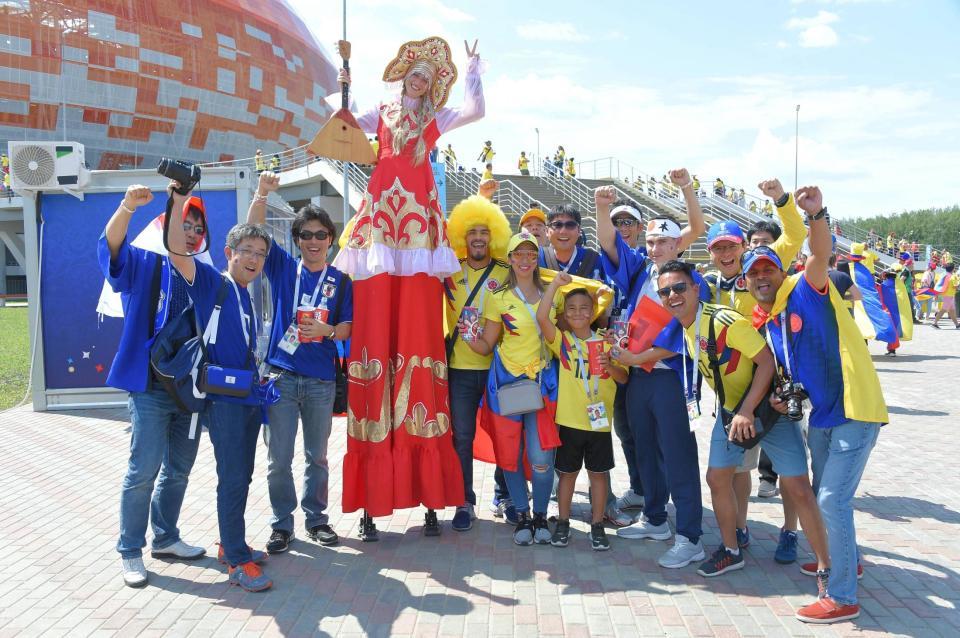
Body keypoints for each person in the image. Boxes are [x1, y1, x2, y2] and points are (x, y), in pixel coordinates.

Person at [331, 37, 484, 539]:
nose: (418, 80)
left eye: (427, 75)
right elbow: (346, 120)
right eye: (413, 72)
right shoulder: (383, 112)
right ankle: (371, 505)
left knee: (419, 347)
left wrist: (473, 66)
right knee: (376, 341)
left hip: (418, 234)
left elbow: (476, 109)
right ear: (402, 75)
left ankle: (432, 498)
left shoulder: (434, 122)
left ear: (435, 82)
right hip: (381, 230)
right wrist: (344, 75)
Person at [743, 185, 888, 624]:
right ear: (746, 282)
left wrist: (816, 214)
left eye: (769, 269)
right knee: (831, 498)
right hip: (823, 417)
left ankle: (842, 594)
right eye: (754, 273)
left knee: (831, 500)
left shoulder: (804, 289)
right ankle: (850, 564)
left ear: (780, 271)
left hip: (854, 412)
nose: (762, 277)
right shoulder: (767, 318)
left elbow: (819, 254)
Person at [653, 260, 829, 578]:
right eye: (665, 292)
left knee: (799, 486)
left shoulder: (724, 321)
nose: (672, 296)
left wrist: (747, 410)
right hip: (732, 412)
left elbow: (765, 363)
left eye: (679, 288)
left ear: (695, 288)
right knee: (717, 478)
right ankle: (731, 550)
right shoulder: (685, 326)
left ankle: (828, 566)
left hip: (766, 412)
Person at [594, 171, 709, 569]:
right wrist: (603, 207)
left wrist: (635, 359)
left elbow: (678, 337)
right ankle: (656, 519)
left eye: (664, 241)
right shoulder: (643, 271)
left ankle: (690, 536)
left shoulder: (688, 282)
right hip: (638, 377)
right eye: (652, 241)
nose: (656, 246)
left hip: (667, 377)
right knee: (644, 451)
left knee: (677, 455)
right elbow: (608, 241)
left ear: (679, 243)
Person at [166, 184, 276, 593]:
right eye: (245, 251)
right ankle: (235, 559)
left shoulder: (247, 294)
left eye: (259, 254)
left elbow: (252, 229)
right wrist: (177, 202)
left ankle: (233, 543)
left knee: (242, 475)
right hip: (224, 400)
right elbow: (179, 250)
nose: (252, 258)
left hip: (247, 397)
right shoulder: (212, 282)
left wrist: (261, 196)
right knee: (232, 476)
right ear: (228, 253)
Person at [99, 184, 209, 588]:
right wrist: (128, 206)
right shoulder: (143, 263)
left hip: (191, 391)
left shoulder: (204, 273)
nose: (192, 232)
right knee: (143, 470)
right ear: (164, 227)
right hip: (149, 388)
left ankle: (165, 537)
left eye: (198, 227)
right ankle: (130, 550)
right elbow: (111, 247)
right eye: (184, 224)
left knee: (179, 470)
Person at [246, 172, 353, 554]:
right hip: (281, 376)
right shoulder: (281, 267)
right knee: (278, 458)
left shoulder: (340, 279)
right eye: (305, 235)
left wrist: (327, 330)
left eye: (320, 235)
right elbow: (252, 229)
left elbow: (347, 327)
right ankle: (282, 523)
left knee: (318, 457)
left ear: (330, 239)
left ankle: (316, 519)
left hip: (321, 380)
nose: (312, 241)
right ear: (296, 240)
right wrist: (261, 192)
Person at [469, 232, 560, 546]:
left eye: (530, 254)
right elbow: (487, 345)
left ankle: (540, 515)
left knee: (541, 457)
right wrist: (469, 337)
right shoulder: (498, 297)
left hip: (544, 386)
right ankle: (521, 514)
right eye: (518, 254)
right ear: (509, 259)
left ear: (537, 259)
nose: (524, 260)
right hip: (507, 387)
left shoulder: (552, 292)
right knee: (510, 455)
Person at [536, 273, 628, 551]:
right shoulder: (563, 342)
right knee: (567, 474)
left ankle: (597, 524)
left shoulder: (607, 343)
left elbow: (623, 378)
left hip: (599, 425)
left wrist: (609, 366)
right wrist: (554, 286)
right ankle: (563, 522)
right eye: (572, 309)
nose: (578, 313)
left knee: (598, 476)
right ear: (565, 314)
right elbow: (542, 319)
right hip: (571, 421)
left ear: (593, 312)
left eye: (584, 308)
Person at [443, 188, 512, 530]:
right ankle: (463, 500)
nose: (479, 238)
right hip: (460, 369)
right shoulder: (449, 272)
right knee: (462, 437)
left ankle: (507, 495)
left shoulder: (506, 272)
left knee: (506, 434)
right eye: (472, 232)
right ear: (462, 236)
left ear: (494, 236)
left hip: (502, 368)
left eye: (485, 231)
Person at [539, 204, 604, 281]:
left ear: (579, 230)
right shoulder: (536, 258)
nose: (563, 231)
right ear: (546, 231)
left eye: (570, 225)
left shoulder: (595, 260)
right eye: (557, 225)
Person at [932, 263, 959, 328]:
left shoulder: (945, 275)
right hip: (949, 295)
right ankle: (934, 323)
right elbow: (955, 286)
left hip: (948, 295)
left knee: (952, 310)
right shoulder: (952, 276)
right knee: (944, 309)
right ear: (953, 269)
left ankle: (957, 325)